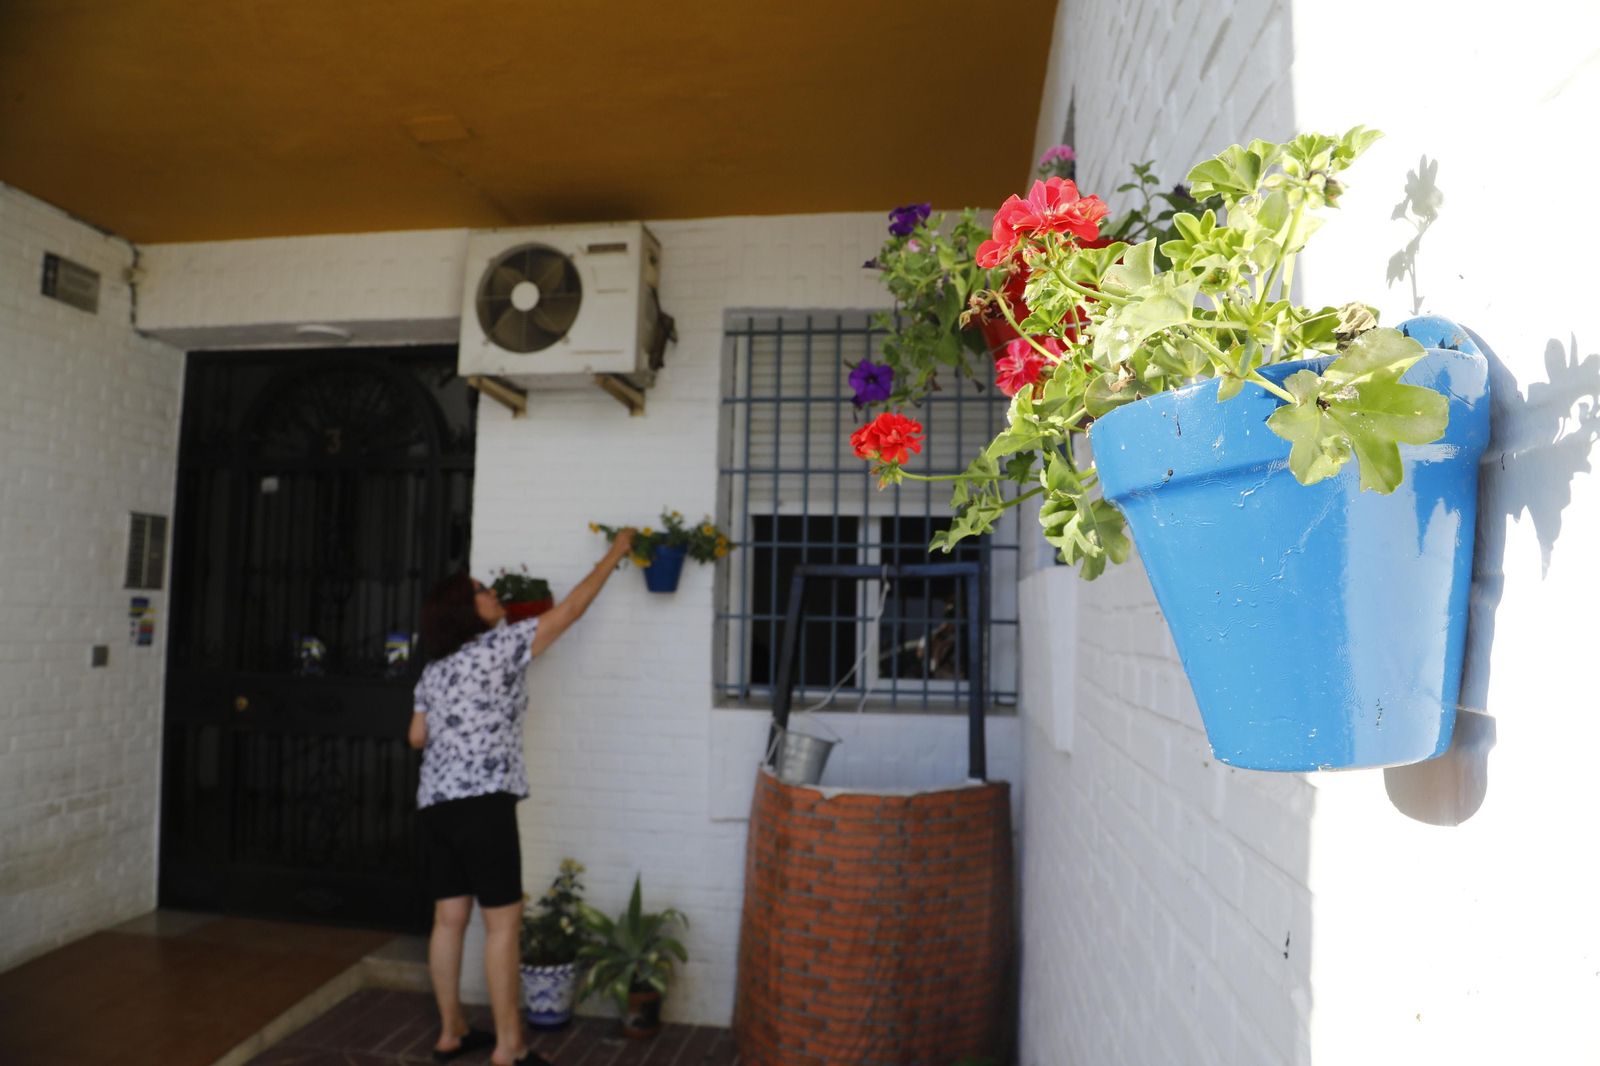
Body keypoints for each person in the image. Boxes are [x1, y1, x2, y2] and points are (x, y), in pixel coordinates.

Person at [408, 530, 634, 1066]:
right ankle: (508, 1046)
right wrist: (616, 551)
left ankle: (451, 1032)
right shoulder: (500, 647)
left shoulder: (433, 672)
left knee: (448, 921)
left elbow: (416, 737)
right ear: (465, 610)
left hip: (436, 805)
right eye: (482, 591)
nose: (493, 594)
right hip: (483, 805)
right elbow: (571, 610)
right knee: (503, 925)